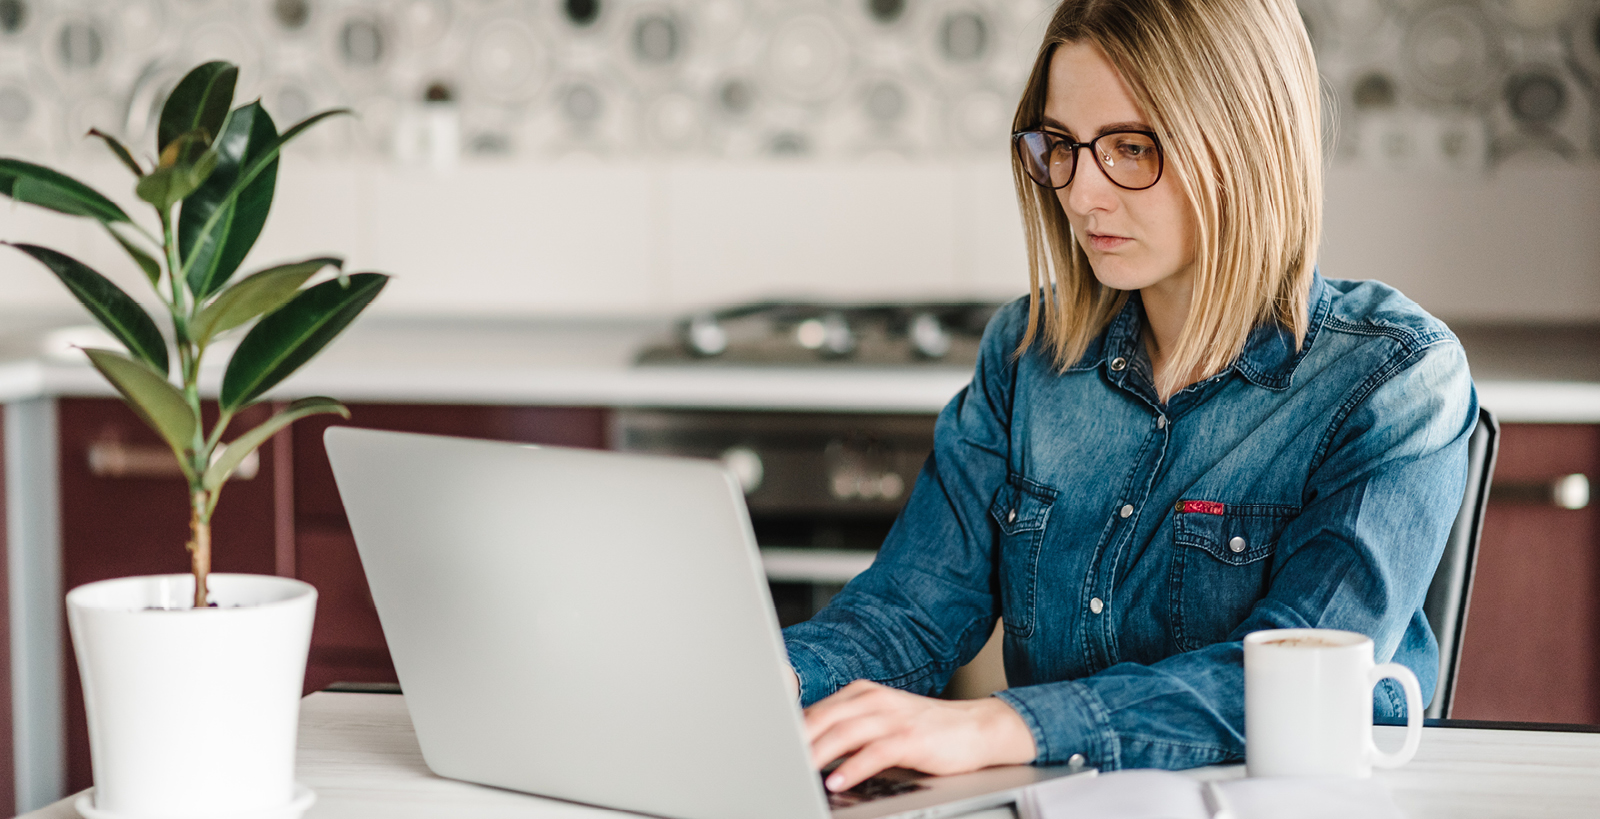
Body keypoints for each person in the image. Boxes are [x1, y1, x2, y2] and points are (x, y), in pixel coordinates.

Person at [782, 0, 1477, 794]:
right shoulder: (1026, 356)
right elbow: (907, 611)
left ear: (1246, 146)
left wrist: (1005, 724)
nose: (1081, 195)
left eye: (1131, 148)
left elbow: (1297, 679)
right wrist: (763, 683)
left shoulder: (1395, 377)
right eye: (1063, 148)